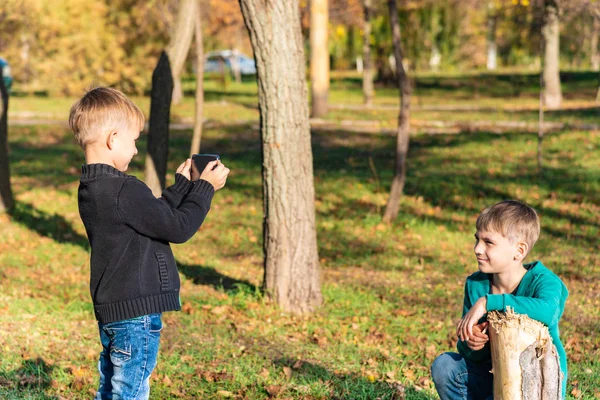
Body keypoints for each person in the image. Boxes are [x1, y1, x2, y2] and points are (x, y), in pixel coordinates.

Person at [69, 86, 230, 399]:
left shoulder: (92, 188)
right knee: (130, 392)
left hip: (114, 310)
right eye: (134, 141)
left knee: (111, 389)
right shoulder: (124, 189)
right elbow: (178, 228)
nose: (136, 150)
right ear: (113, 139)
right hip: (135, 314)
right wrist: (204, 189)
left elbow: (150, 216)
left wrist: (182, 186)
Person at [431, 200, 568, 399]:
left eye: (488, 242)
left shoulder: (545, 282)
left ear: (519, 251)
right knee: (445, 366)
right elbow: (466, 350)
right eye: (477, 239)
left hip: (534, 386)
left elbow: (547, 311)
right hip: (494, 380)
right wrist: (473, 343)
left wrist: (490, 302)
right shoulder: (476, 284)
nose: (477, 249)